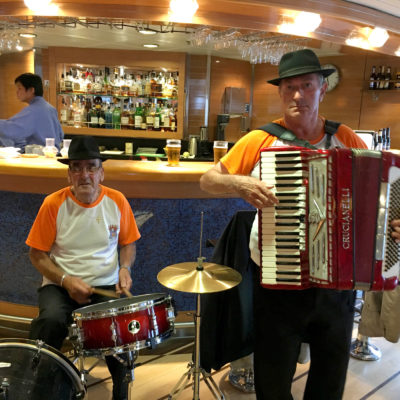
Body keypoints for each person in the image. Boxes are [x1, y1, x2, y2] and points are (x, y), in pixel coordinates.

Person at [200, 49, 368, 399]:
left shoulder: (346, 138)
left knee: (330, 377)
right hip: (278, 282)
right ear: (279, 93)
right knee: (273, 380)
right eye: (288, 87)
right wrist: (239, 183)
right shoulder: (261, 139)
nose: (297, 94)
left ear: (322, 89)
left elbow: (377, 193)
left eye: (306, 85)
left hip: (336, 283)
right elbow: (208, 180)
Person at [26, 135, 140, 400]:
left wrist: (125, 268)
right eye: (76, 167)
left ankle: (121, 391)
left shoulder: (117, 201)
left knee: (120, 334)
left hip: (105, 285)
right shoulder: (53, 204)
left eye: (90, 167)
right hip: (59, 284)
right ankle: (39, 387)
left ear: (101, 172)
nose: (84, 174)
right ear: (69, 174)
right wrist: (66, 280)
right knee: (50, 322)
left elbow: (128, 244)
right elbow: (37, 255)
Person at [0, 73, 63, 149]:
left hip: (40, 157)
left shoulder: (34, 110)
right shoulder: (50, 108)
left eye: (19, 88)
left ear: (31, 90)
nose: (17, 92)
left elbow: (13, 129)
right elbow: (60, 134)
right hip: (53, 154)